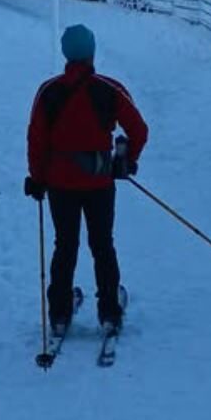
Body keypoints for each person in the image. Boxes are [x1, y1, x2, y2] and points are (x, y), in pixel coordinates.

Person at [24, 24, 149, 335]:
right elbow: (139, 130)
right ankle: (109, 311)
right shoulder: (109, 88)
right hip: (98, 182)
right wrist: (126, 161)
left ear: (66, 53)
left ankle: (60, 314)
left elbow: (36, 139)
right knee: (102, 245)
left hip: (59, 183)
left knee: (64, 245)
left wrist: (37, 179)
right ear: (92, 52)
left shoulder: (48, 91)